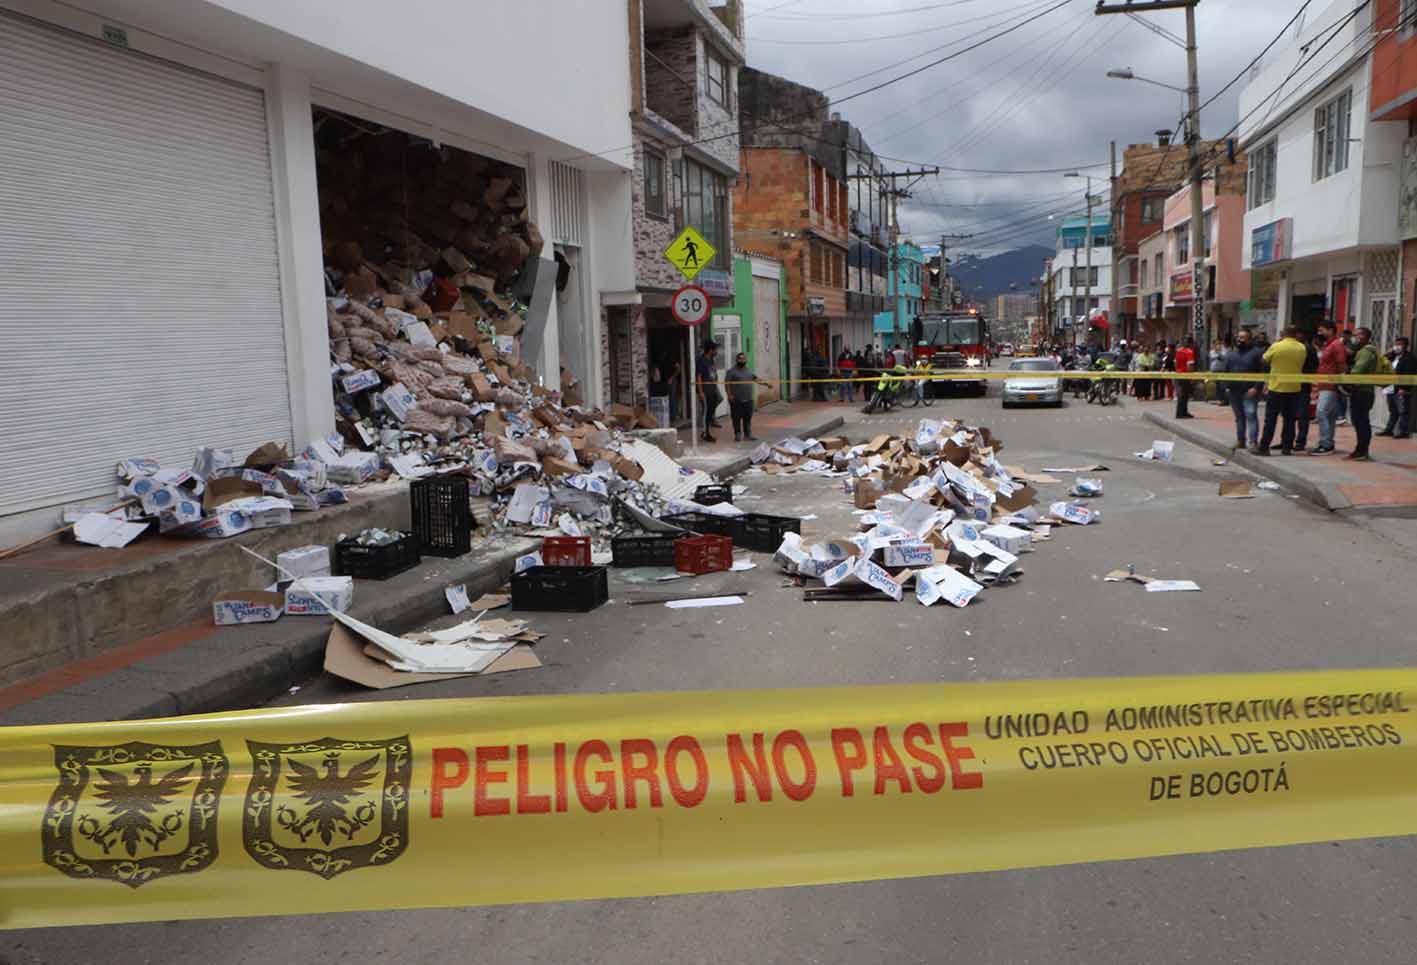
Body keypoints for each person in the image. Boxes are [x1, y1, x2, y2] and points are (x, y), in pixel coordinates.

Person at [1255, 326, 1308, 456]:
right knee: (1290, 419)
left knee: (1271, 419)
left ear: (1283, 334)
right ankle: (1287, 447)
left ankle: (1264, 447)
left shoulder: (1277, 346)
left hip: (1277, 387)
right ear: (1295, 335)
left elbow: (1263, 360)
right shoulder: (1302, 347)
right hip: (1294, 388)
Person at [1224, 329, 1264, 450]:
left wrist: (1256, 387)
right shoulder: (1231, 354)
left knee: (1251, 414)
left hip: (1249, 390)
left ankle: (1253, 442)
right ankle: (1241, 441)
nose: (1239, 340)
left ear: (1249, 339)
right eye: (1238, 337)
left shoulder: (1257, 353)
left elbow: (1262, 373)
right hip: (1234, 390)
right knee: (1239, 417)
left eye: (1243, 338)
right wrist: (1226, 387)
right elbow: (1225, 371)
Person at [1311, 322, 1346, 455]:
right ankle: (1328, 442)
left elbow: (1341, 365)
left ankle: (1325, 444)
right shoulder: (1329, 345)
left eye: (1321, 330)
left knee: (1321, 412)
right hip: (1324, 384)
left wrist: (1339, 383)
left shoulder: (1336, 345)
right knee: (1329, 415)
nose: (1319, 333)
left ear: (1330, 330)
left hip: (1331, 385)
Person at [1346, 326, 1379, 460]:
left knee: (1361, 422)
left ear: (1363, 336)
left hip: (1363, 391)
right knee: (1359, 421)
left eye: (1356, 335)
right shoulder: (1364, 350)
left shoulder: (1365, 352)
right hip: (1361, 390)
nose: (1354, 338)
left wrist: (1347, 373)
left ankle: (1362, 451)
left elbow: (1358, 371)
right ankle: (1360, 450)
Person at [723, 352, 769, 442]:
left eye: (744, 359)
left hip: (748, 399)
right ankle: (737, 434)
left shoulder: (749, 371)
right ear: (737, 360)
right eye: (740, 359)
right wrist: (729, 395)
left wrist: (766, 384)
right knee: (736, 418)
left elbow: (756, 379)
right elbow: (727, 384)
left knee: (747, 418)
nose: (742, 360)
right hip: (736, 399)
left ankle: (747, 434)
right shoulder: (731, 371)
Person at [1379, 336, 1415, 439]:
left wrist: (1404, 388)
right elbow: (1382, 361)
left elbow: (1409, 373)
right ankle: (1388, 430)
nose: (1397, 346)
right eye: (1396, 344)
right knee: (1393, 410)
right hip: (1390, 388)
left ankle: (1403, 431)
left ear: (1406, 346)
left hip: (1401, 389)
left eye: (1400, 344)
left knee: (1403, 411)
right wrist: (1388, 353)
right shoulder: (1393, 356)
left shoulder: (1409, 358)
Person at [1294, 329, 1319, 453]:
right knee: (1291, 415)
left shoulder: (1307, 349)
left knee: (1302, 416)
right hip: (1292, 385)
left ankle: (1300, 441)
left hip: (1302, 387)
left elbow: (1314, 366)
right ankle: (1289, 440)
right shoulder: (1295, 348)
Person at [695, 339, 722, 442]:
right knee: (706, 412)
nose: (716, 351)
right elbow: (699, 377)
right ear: (710, 350)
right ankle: (705, 433)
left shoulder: (710, 359)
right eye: (715, 349)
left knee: (710, 412)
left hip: (712, 389)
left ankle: (707, 432)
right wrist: (701, 392)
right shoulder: (701, 361)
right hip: (705, 392)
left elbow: (713, 372)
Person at [1174, 337, 1197, 418]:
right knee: (1184, 395)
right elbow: (1190, 365)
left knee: (1182, 394)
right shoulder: (1189, 352)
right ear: (1190, 343)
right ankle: (1181, 413)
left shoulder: (1178, 351)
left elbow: (1175, 363)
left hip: (1178, 374)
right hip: (1185, 375)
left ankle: (1183, 412)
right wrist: (1191, 377)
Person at [1210, 338, 1230, 406]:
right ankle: (1219, 399)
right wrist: (1218, 354)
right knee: (1217, 386)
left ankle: (1225, 400)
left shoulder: (1225, 350)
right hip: (1214, 370)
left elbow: (1223, 358)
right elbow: (1213, 357)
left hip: (1222, 370)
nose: (1218, 345)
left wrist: (1219, 352)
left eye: (1219, 343)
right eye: (1216, 344)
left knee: (1223, 386)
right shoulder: (1212, 351)